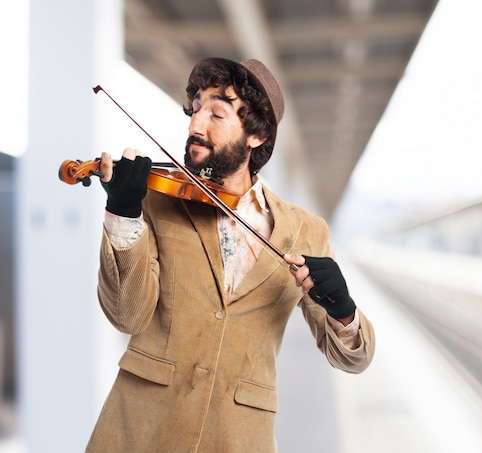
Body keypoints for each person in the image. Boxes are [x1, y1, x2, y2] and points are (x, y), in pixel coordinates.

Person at [85, 57, 375, 453]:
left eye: (216, 114)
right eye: (195, 109)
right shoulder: (151, 200)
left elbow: (351, 360)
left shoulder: (307, 231)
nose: (194, 125)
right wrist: (122, 214)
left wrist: (344, 310)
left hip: (238, 439)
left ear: (256, 134)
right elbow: (126, 315)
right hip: (141, 433)